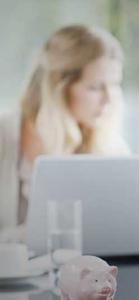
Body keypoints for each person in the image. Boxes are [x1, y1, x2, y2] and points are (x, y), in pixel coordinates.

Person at [0, 24, 128, 243]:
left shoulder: (108, 144)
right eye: (96, 87)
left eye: (114, 85)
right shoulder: (5, 135)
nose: (109, 99)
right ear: (59, 86)